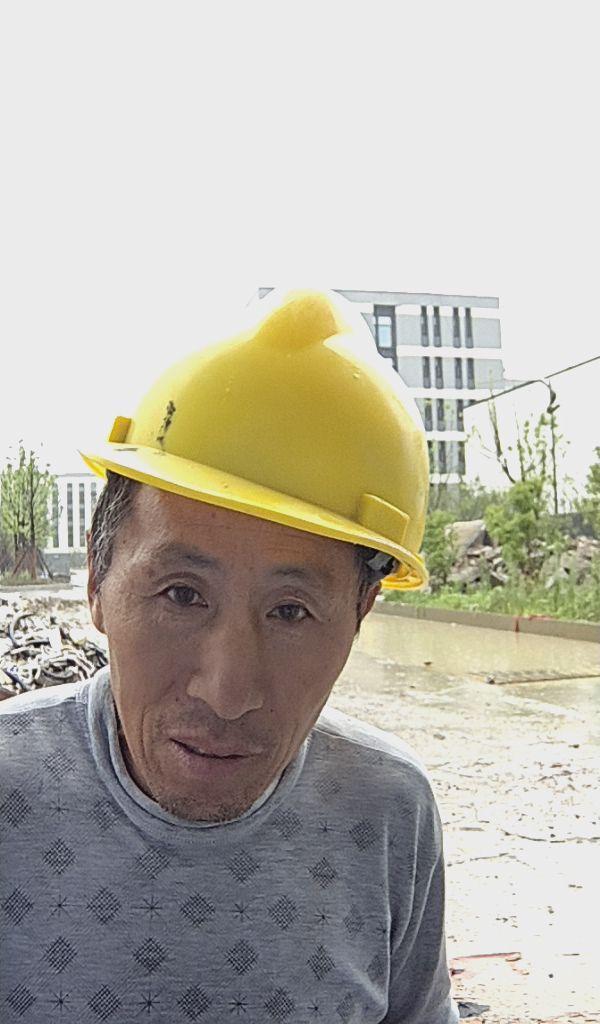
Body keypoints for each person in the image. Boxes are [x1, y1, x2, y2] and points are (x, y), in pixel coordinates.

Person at [0, 289, 460, 1023]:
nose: (227, 691)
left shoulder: (387, 813)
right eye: (182, 595)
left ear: (361, 612)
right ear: (97, 579)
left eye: (290, 611)